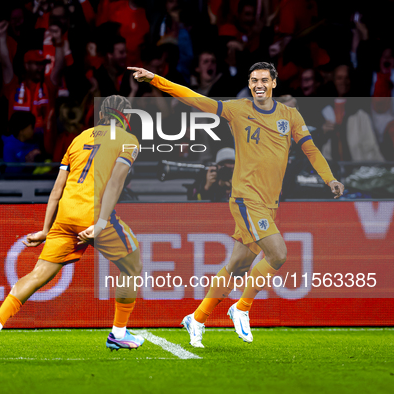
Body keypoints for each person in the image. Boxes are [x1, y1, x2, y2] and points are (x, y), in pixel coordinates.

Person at [129, 62, 344, 347]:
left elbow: (310, 149)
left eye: (264, 80)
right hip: (246, 198)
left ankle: (197, 317)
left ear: (274, 83)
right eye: (254, 80)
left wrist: (329, 179)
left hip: (269, 203)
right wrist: (155, 79)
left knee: (237, 266)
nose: (259, 85)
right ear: (249, 82)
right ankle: (241, 308)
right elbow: (194, 98)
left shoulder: (290, 115)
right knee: (278, 254)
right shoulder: (238, 109)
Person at [0, 95, 144, 360]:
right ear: (126, 116)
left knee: (38, 274)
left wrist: (45, 230)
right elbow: (114, 184)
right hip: (95, 214)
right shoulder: (128, 141)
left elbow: (57, 188)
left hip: (65, 215)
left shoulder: (79, 138)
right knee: (132, 266)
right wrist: (100, 224)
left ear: (100, 114)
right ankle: (119, 333)